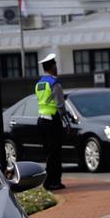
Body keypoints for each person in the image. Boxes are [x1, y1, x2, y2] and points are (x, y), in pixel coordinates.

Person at [35, 53, 68, 191]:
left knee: (49, 153)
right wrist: (67, 121)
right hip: (53, 119)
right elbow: (60, 105)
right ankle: (54, 182)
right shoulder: (55, 83)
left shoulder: (39, 83)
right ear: (52, 66)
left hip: (41, 119)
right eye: (55, 64)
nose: (56, 67)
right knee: (56, 153)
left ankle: (48, 181)